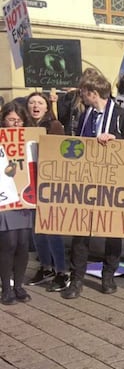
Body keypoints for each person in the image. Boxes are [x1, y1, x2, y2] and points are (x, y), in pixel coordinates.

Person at [63, 68, 124, 299]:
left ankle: (108, 274)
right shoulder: (86, 115)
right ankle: (77, 278)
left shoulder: (122, 114)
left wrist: (116, 140)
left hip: (114, 181)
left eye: (83, 92)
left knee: (113, 230)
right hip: (88, 180)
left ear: (92, 92)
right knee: (81, 231)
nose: (81, 96)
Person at [25, 92, 69, 291]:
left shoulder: (54, 125)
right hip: (29, 184)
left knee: (52, 229)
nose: (35, 105)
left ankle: (62, 271)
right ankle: (46, 267)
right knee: (37, 230)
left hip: (49, 184)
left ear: (46, 107)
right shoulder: (24, 127)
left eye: (39, 102)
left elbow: (60, 153)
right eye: (32, 102)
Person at [0, 102, 34, 306]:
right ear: (4, 120)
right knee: (8, 243)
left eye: (19, 120)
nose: (15, 123)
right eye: (11, 119)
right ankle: (6, 287)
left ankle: (18, 285)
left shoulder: (29, 139)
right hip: (4, 198)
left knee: (23, 243)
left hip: (23, 197)